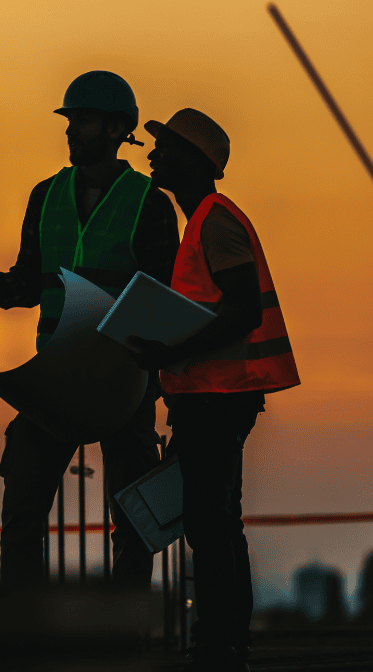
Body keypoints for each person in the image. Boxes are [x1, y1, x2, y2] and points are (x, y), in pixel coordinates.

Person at [0, 70, 179, 597]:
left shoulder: (147, 202)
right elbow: (32, 280)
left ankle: (122, 637)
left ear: (115, 129)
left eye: (81, 120)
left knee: (132, 520)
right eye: (71, 120)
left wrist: (154, 381)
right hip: (56, 378)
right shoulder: (46, 196)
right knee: (21, 514)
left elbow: (165, 302)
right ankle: (26, 636)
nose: (71, 130)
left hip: (123, 381)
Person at [128, 108, 300, 671]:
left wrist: (170, 353)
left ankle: (219, 642)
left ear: (193, 161)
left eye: (164, 147)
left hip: (219, 398)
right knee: (218, 520)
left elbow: (242, 309)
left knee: (211, 521)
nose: (152, 156)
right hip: (209, 396)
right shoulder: (201, 221)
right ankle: (225, 640)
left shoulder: (214, 221)